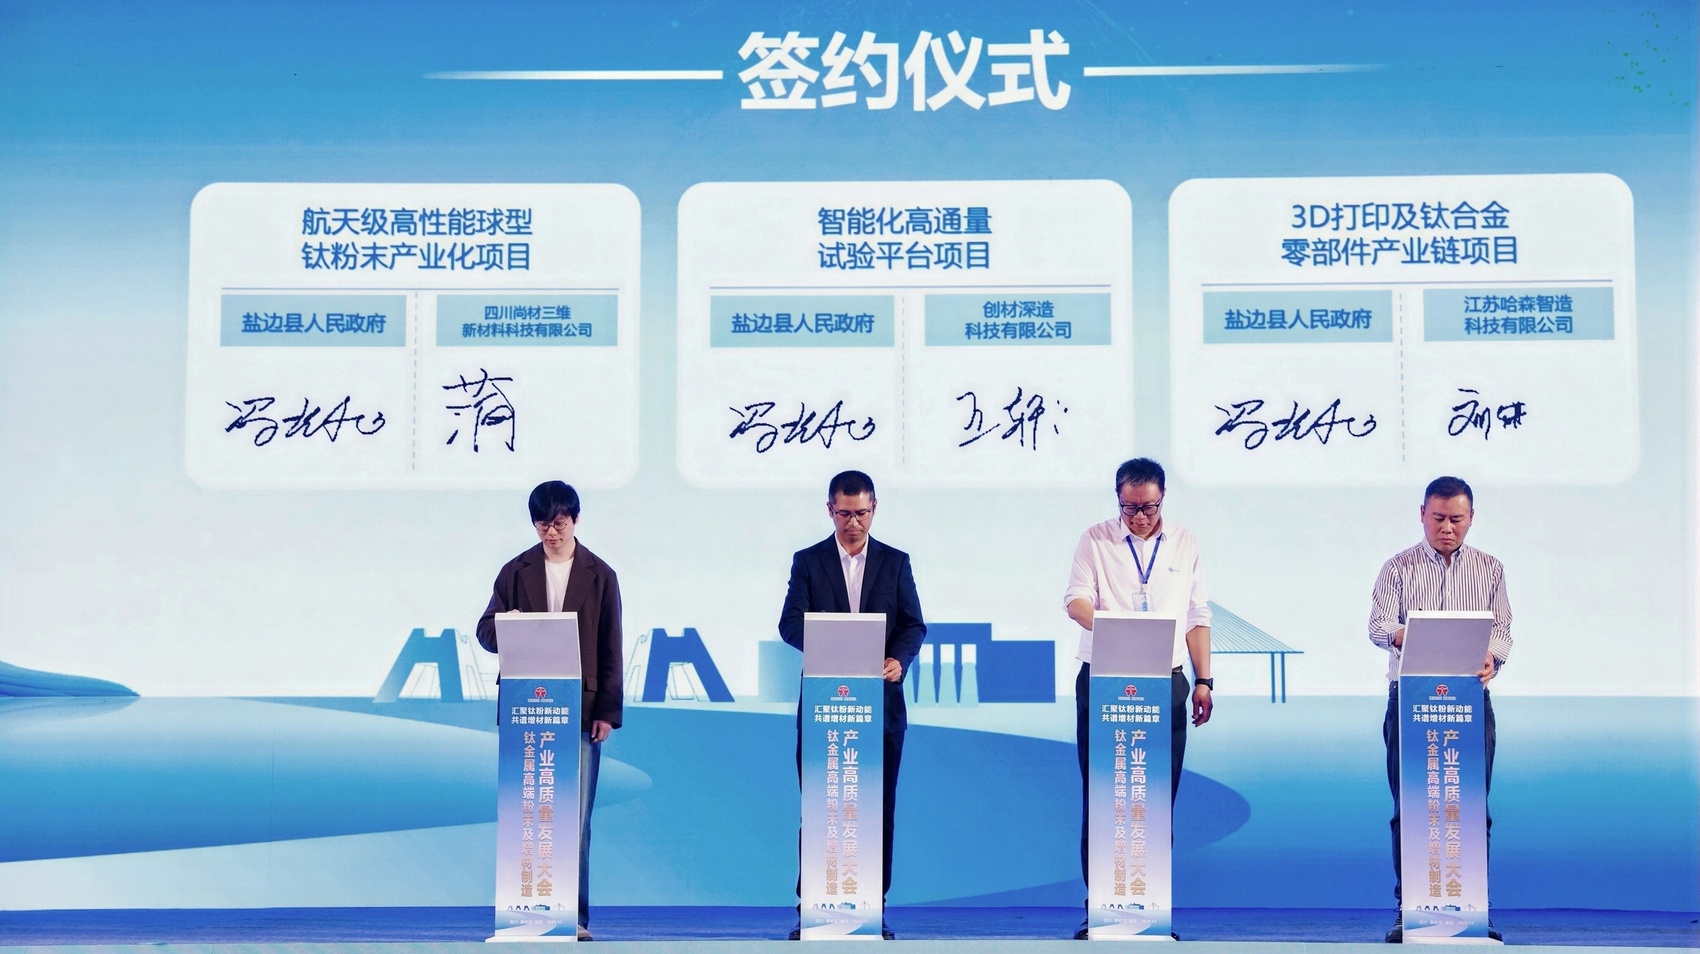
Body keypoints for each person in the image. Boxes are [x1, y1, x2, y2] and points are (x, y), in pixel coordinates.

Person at [1064, 457, 1213, 940]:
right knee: (1103, 795)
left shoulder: (1185, 541)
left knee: (1156, 798)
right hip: (1105, 678)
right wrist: (1118, 629)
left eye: (1148, 507)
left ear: (1162, 498)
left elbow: (1197, 615)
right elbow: (1075, 601)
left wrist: (1205, 680)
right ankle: (1100, 910)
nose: (1140, 517)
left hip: (1165, 681)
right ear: (1118, 499)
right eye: (1129, 507)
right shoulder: (1095, 539)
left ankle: (1152, 908)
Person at [779, 470, 927, 940]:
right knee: (820, 809)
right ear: (830, 510)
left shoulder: (895, 562)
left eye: (861, 513)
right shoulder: (808, 561)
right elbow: (789, 624)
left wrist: (897, 660)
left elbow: (913, 625)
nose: (853, 523)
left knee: (877, 811)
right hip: (825, 708)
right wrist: (832, 646)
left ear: (874, 509)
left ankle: (872, 908)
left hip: (881, 709)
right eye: (844, 514)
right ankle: (813, 908)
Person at [476, 480, 624, 942]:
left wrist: (607, 712)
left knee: (574, 819)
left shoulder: (601, 574)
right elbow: (485, 631)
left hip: (581, 710)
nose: (551, 533)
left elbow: (611, 646)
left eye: (559, 523)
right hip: (527, 711)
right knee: (528, 813)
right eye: (543, 525)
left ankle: (573, 916)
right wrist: (509, 626)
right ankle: (525, 912)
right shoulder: (515, 571)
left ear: (575, 519)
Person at [1369, 476, 1510, 943]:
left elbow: (1503, 630)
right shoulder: (1398, 568)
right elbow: (1378, 625)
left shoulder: (1490, 569)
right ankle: (1409, 910)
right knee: (1409, 806)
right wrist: (1413, 635)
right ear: (1422, 515)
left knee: (1471, 806)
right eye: (1438, 518)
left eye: (1456, 519)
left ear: (1471, 518)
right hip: (1410, 699)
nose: (1447, 528)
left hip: (1469, 702)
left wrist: (1493, 656)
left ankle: (1474, 910)